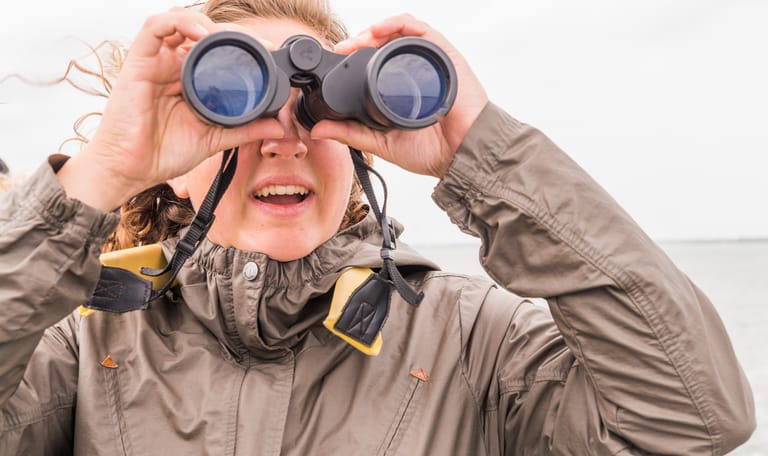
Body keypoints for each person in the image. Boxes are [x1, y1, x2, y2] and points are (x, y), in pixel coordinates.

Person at [0, 0, 756, 454]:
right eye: (230, 103)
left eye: (319, 103)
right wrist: (102, 173)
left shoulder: (472, 341)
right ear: (175, 160)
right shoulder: (83, 348)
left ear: (360, 127)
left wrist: (482, 151)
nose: (282, 138)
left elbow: (690, 421)